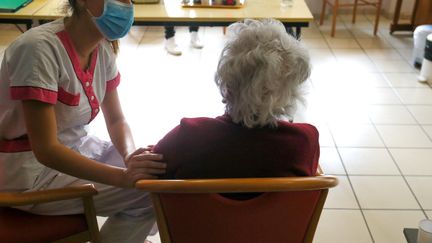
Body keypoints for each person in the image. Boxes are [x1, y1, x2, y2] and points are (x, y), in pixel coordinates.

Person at [0, 0, 166, 242]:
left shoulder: (103, 49)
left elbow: (117, 120)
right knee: (149, 192)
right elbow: (46, 150)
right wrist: (121, 177)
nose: (126, 6)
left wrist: (130, 155)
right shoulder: (38, 49)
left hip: (75, 149)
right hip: (26, 173)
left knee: (159, 169)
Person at [153, 19, 319, 180]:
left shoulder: (187, 136)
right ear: (292, 94)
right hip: (275, 210)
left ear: (226, 87)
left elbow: (151, 176)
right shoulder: (305, 142)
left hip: (198, 210)